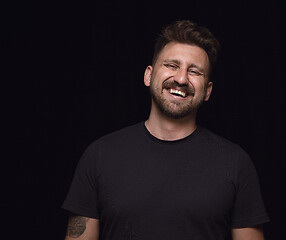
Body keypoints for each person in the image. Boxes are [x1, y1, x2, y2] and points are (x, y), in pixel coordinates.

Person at [62, 20, 269, 240]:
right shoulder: (99, 156)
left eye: (194, 71)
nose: (181, 79)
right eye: (171, 65)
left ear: (208, 91)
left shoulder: (235, 163)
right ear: (148, 75)